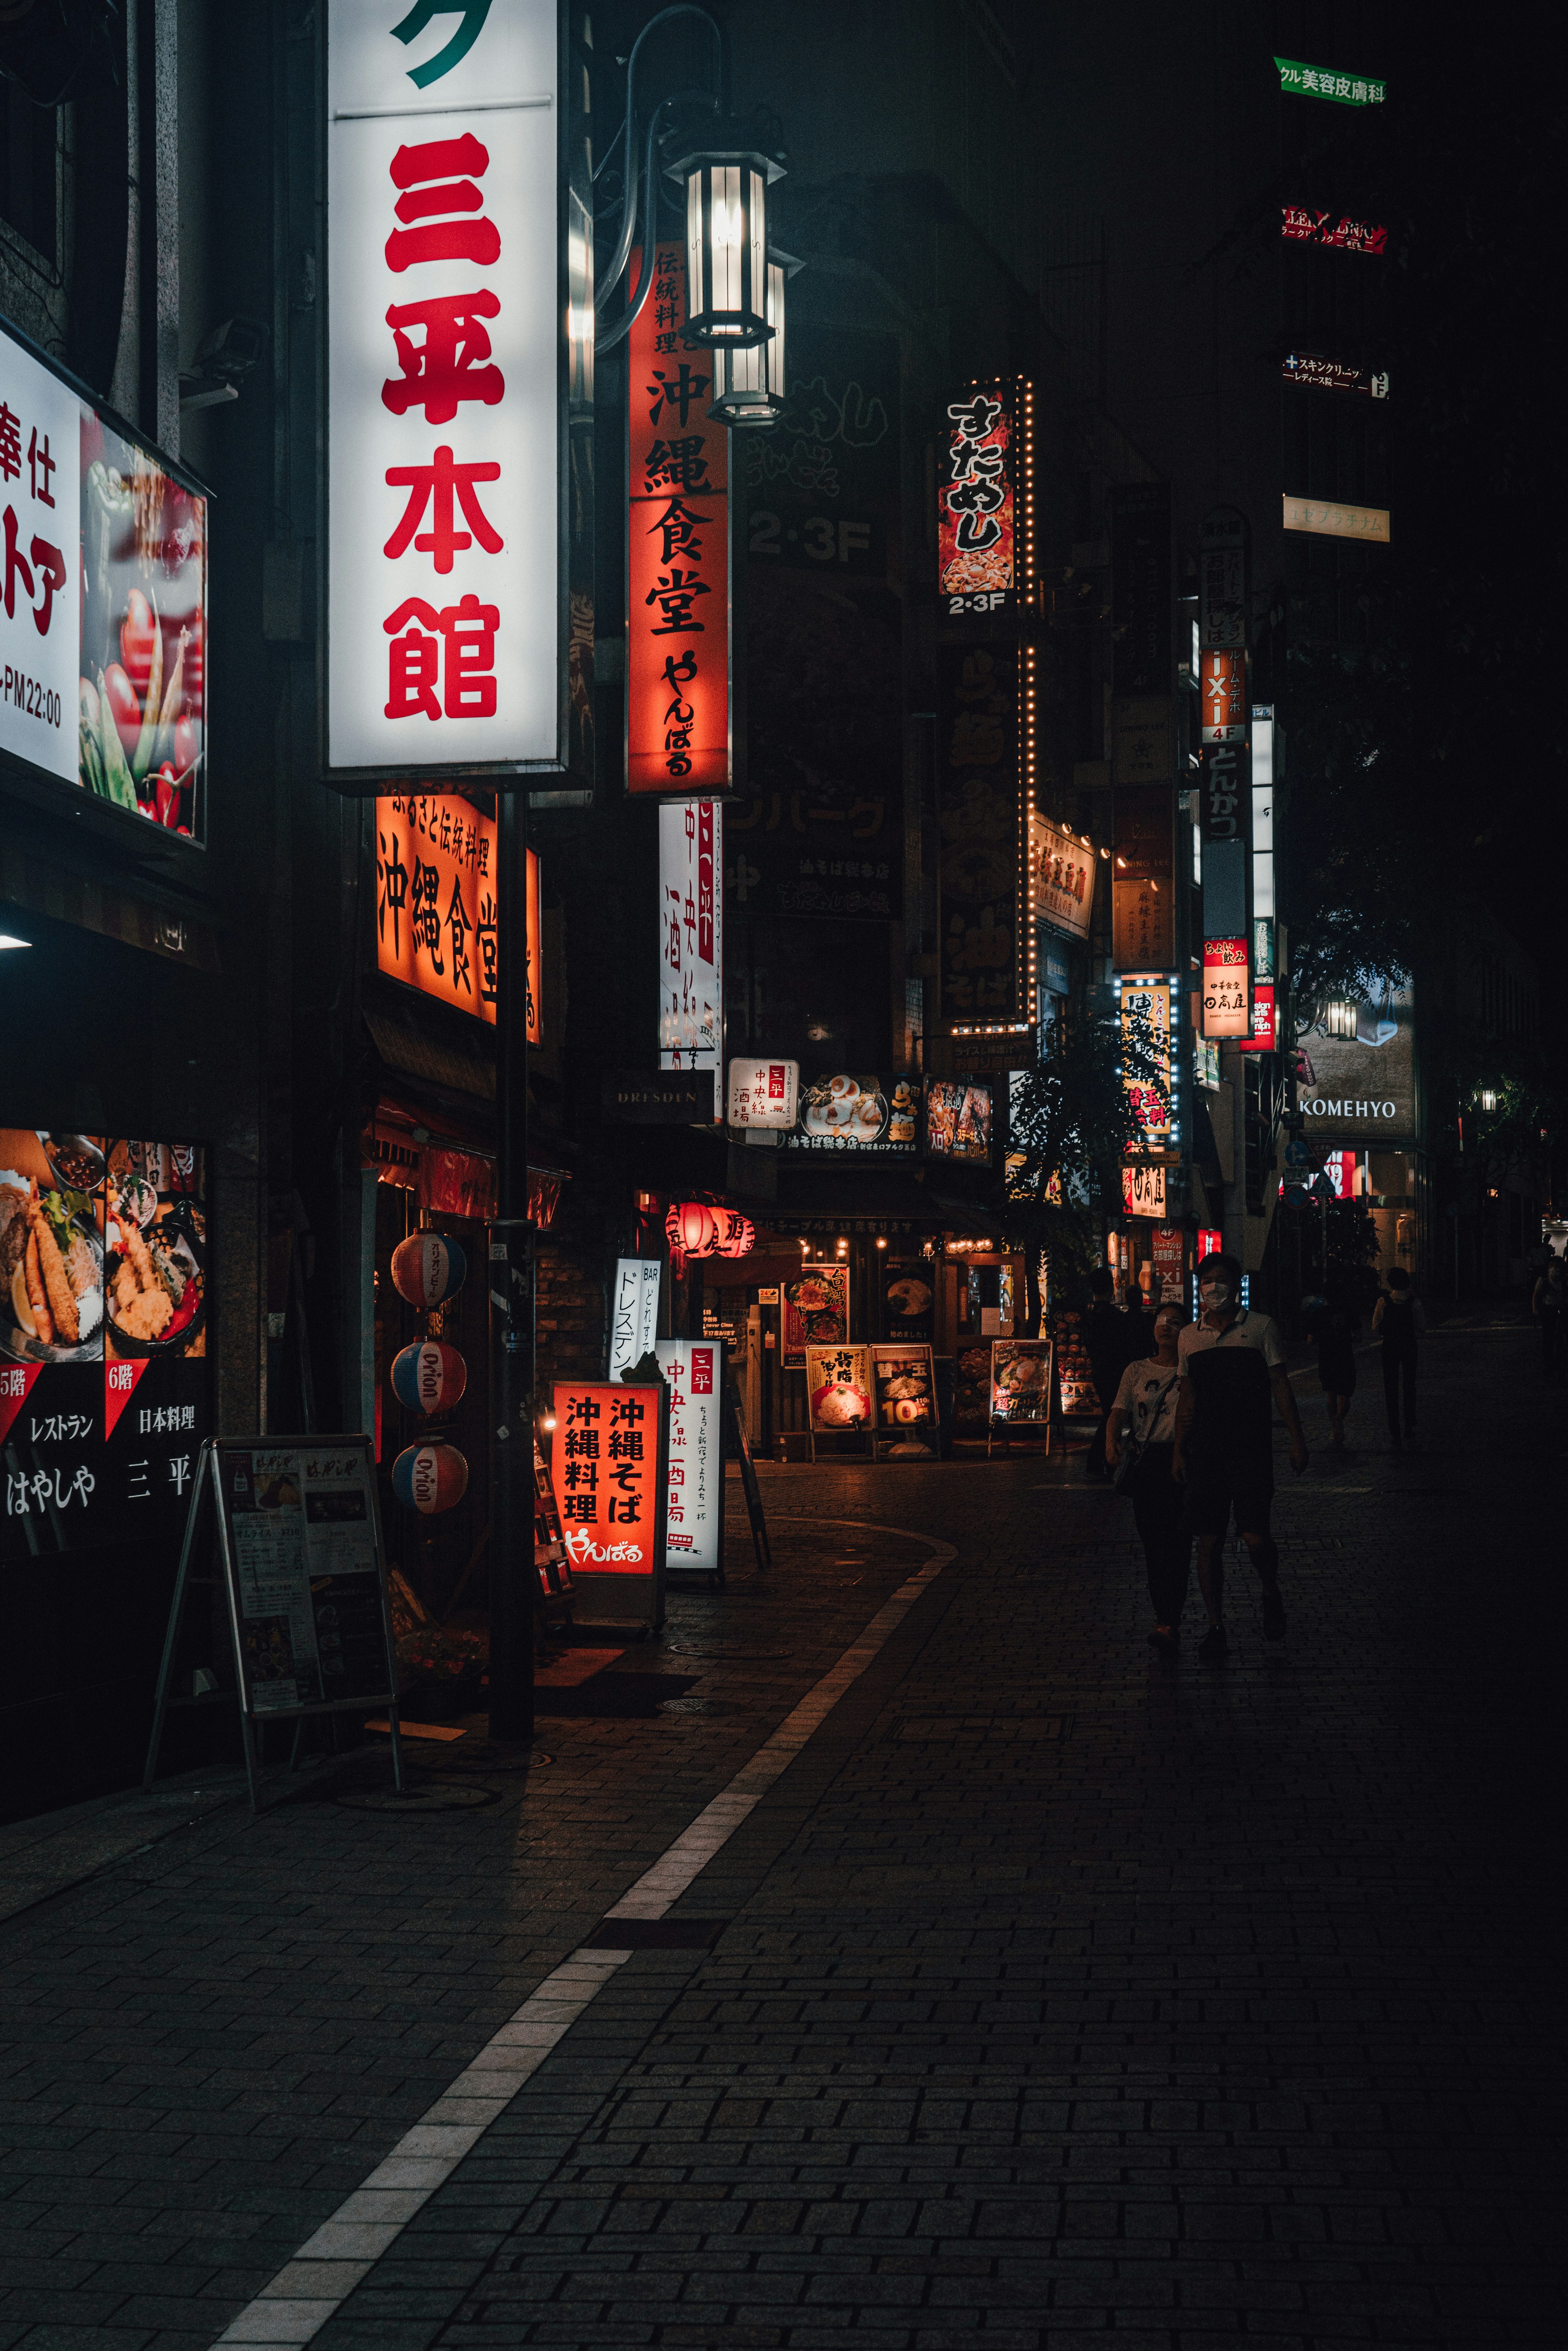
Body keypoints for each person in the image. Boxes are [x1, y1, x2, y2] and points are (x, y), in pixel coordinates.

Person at [1172, 1252, 1309, 1659]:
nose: (1214, 1287)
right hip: (1206, 1454)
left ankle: (1270, 1588)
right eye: (1207, 1280)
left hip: (1250, 1451)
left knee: (1255, 1538)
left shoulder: (1262, 1328)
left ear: (1236, 1284)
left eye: (1221, 1279)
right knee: (1208, 1541)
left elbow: (1281, 1386)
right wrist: (1179, 1450)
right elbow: (1187, 1397)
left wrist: (1297, 1440)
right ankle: (1216, 1625)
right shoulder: (1189, 1338)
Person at [1107, 1301, 1190, 1654]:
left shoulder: (1191, 1370)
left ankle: (1169, 1619)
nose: (1166, 1326)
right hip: (1146, 1459)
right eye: (1161, 1320)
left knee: (1179, 1542)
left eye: (1174, 1322)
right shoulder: (1136, 1370)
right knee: (1153, 1542)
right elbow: (1118, 1410)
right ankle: (1164, 1615)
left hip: (1182, 1459)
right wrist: (1111, 1443)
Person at [1081, 1267, 1148, 1481]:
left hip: (1100, 1371)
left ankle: (1106, 1461)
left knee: (1111, 1415)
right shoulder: (1116, 1317)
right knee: (1114, 1416)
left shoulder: (1090, 1317)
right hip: (1117, 1373)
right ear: (1111, 1289)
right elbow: (1126, 1348)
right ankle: (1104, 1460)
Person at [1372, 1266, 1425, 1443]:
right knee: (1409, 1385)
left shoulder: (1383, 1302)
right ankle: (1409, 1423)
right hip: (1409, 1345)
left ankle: (1394, 1427)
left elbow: (1376, 1328)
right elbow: (1422, 1328)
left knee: (1391, 1386)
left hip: (1390, 1346)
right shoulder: (1414, 1302)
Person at [1316, 1274, 1359, 1450]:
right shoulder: (1349, 1312)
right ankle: (1339, 1419)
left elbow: (1311, 1338)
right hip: (1345, 1355)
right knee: (1345, 1393)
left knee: (1330, 1393)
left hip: (1326, 1356)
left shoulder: (1320, 1314)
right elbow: (1358, 1336)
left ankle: (1335, 1426)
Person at [1531, 1256, 1567, 1386]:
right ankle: (1548, 1366)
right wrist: (1535, 1310)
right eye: (1552, 1266)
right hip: (1549, 1309)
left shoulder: (1565, 1279)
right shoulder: (1544, 1280)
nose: (1554, 1269)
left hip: (1564, 1308)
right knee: (1548, 1338)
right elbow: (1537, 1295)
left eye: (1557, 1266)